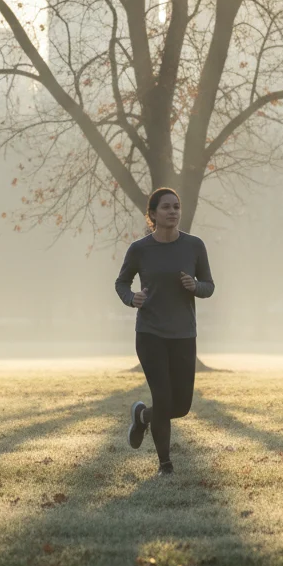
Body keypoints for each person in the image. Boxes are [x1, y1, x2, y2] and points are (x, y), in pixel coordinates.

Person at [114, 188, 215, 475]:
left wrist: (196, 287)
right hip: (150, 334)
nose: (173, 212)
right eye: (166, 208)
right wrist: (132, 298)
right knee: (163, 397)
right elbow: (121, 282)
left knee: (181, 406)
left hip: (184, 334)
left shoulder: (194, 246)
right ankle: (165, 465)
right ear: (153, 214)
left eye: (176, 207)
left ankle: (142, 415)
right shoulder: (140, 249)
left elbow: (209, 284)